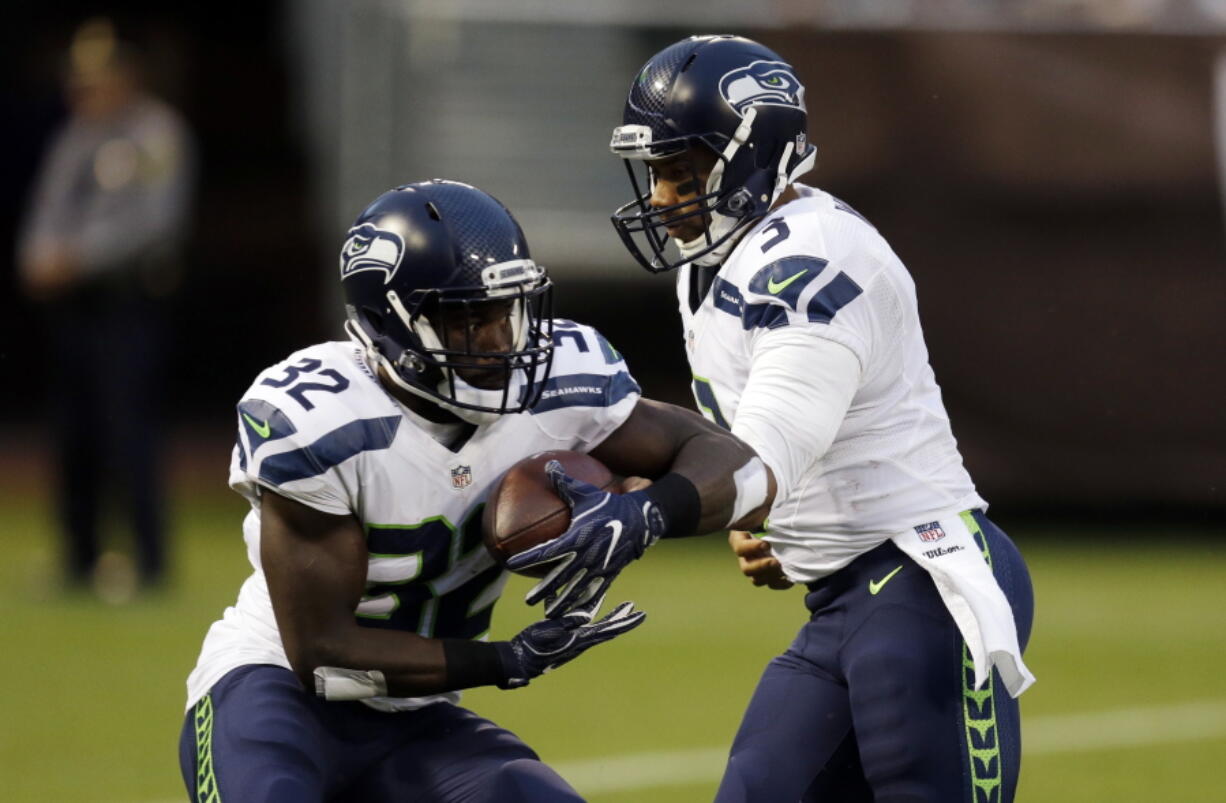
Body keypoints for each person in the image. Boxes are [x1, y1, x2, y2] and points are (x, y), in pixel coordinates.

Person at [513, 34, 1036, 802]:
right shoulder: (721, 254)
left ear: (755, 156)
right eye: (654, 171)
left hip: (923, 583)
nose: (660, 196)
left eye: (680, 171)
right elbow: (750, 451)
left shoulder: (817, 260)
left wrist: (650, 511)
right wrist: (771, 514)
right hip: (844, 592)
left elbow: (762, 460)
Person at [178, 179, 772, 802]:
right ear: (392, 325)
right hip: (273, 692)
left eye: (507, 312)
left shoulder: (563, 383)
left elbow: (735, 465)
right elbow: (323, 655)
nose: (499, 341)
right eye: (467, 319)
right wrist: (505, 660)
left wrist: (643, 513)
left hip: (417, 715)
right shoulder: (322, 419)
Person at [16, 18, 195, 595]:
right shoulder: (75, 136)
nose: (83, 91)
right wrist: (36, 257)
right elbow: (45, 209)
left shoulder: (155, 133)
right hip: (74, 310)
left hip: (128, 304)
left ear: (126, 77)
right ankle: (79, 557)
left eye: (96, 80)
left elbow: (153, 223)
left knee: (129, 431)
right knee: (74, 434)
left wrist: (74, 259)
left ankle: (148, 560)